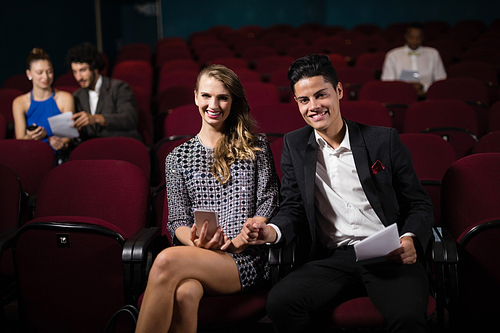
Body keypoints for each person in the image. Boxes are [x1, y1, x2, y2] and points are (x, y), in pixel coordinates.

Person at [249, 54, 434, 332]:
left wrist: (410, 240)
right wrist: (272, 231)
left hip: (387, 254)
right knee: (280, 302)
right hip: (334, 258)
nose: (313, 107)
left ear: (338, 91)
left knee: (407, 318)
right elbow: (293, 208)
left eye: (320, 95)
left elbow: (419, 204)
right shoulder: (294, 145)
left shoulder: (383, 140)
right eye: (304, 100)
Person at [135, 64, 279, 332]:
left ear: (232, 101)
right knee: (185, 294)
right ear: (195, 97)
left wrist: (246, 234)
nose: (214, 104)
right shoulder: (177, 157)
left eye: (223, 97)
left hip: (245, 258)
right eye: (206, 96)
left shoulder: (256, 147)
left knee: (165, 260)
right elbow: (177, 221)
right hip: (198, 255)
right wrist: (197, 241)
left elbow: (268, 202)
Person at [65, 43, 142, 141]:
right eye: (75, 72)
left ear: (95, 68)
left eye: (83, 70)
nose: (79, 77)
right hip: (93, 148)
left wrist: (97, 118)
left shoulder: (119, 88)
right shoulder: (77, 95)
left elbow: (129, 119)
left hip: (120, 144)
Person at [12, 48, 75, 153]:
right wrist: (31, 136)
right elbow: (20, 141)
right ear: (29, 74)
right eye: (39, 72)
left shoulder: (65, 98)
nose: (45, 77)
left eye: (49, 72)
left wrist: (61, 143)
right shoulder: (19, 102)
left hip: (59, 156)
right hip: (32, 154)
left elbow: (67, 139)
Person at [381, 22, 447, 97]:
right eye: (411, 37)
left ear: (423, 38)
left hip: (428, 95)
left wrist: (424, 87)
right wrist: (407, 88)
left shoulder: (433, 54)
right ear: (405, 36)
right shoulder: (393, 55)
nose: (414, 41)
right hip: (400, 95)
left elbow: (441, 80)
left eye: (418, 38)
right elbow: (387, 82)